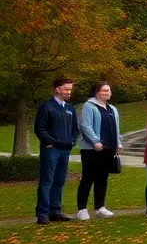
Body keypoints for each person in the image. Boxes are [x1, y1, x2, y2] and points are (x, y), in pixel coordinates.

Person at [34, 77, 79, 225]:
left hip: (65, 150)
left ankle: (55, 210)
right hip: (51, 150)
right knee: (47, 180)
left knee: (60, 180)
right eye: (66, 89)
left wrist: (72, 141)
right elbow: (40, 128)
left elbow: (75, 129)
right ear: (57, 89)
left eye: (70, 89)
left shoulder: (69, 108)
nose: (69, 92)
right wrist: (50, 142)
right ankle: (43, 213)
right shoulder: (47, 107)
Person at [76, 81, 121, 220]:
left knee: (103, 178)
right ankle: (82, 209)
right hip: (92, 149)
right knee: (88, 177)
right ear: (97, 92)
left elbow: (116, 127)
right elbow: (85, 125)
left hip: (108, 148)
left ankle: (100, 206)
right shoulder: (89, 106)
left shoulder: (112, 109)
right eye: (104, 91)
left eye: (109, 90)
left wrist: (118, 143)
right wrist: (95, 141)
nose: (107, 93)